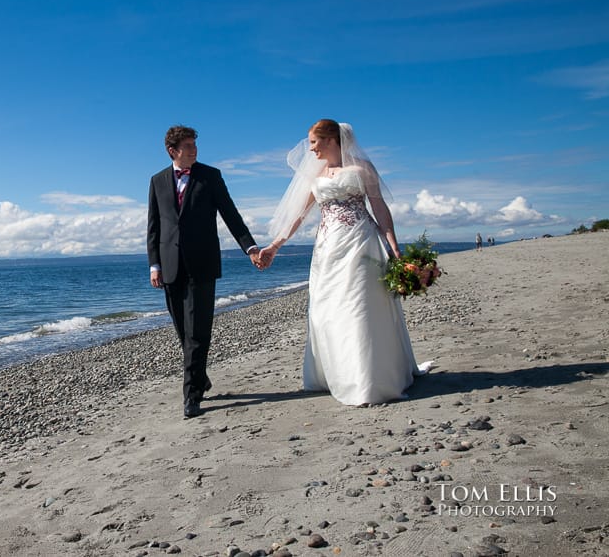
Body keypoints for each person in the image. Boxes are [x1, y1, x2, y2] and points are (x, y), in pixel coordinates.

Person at [257, 119, 430, 406]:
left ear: (331, 140)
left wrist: (394, 246)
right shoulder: (316, 175)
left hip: (361, 244)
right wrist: (275, 245)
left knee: (360, 306)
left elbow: (379, 208)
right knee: (328, 309)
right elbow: (298, 214)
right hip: (328, 248)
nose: (310, 149)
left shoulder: (362, 168)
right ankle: (336, 374)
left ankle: (369, 380)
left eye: (314, 142)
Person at [147, 125, 260, 418]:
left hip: (203, 263)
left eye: (195, 145)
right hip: (170, 266)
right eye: (188, 146)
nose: (194, 151)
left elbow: (231, 215)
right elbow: (154, 226)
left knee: (198, 332)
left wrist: (250, 248)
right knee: (183, 332)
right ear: (173, 151)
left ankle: (191, 396)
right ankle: (200, 376)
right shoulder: (157, 181)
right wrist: (154, 264)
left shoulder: (210, 176)